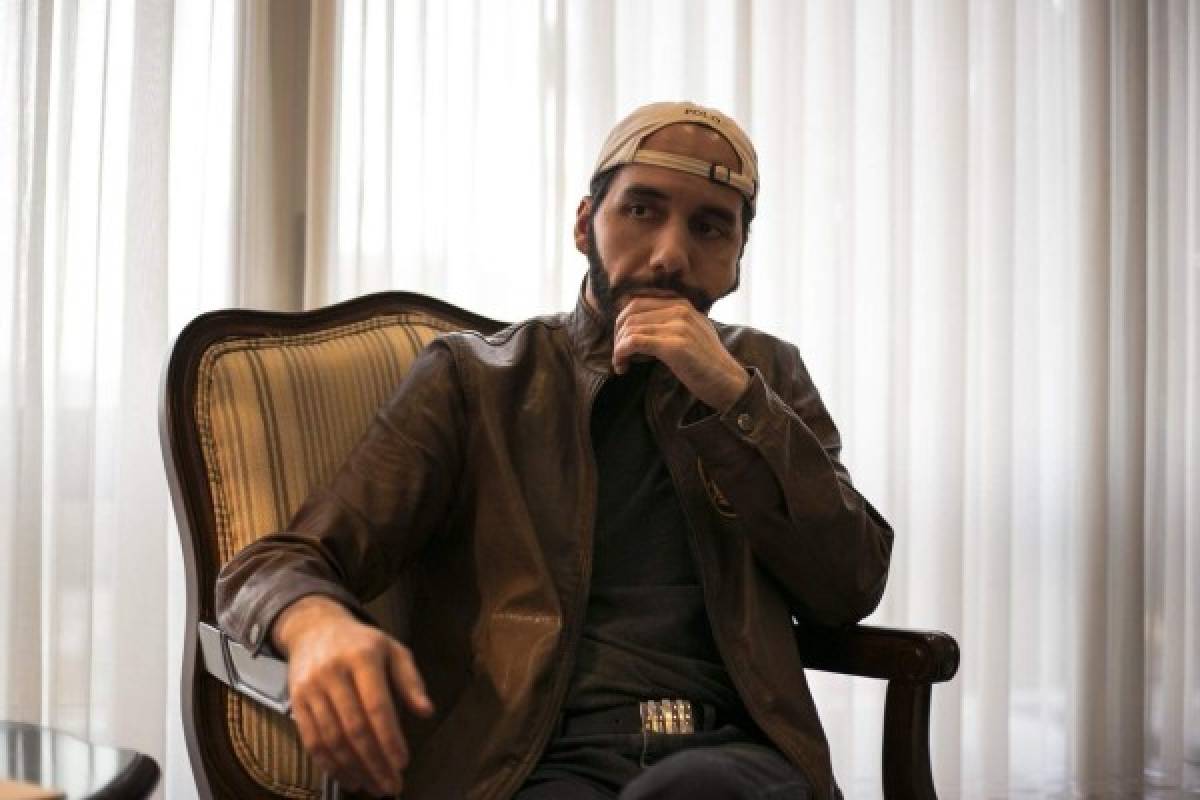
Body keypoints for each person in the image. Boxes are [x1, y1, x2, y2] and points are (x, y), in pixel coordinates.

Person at [216, 101, 893, 799]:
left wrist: (737, 402)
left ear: (737, 262)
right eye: (641, 211)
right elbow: (277, 564)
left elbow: (849, 586)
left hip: (734, 761)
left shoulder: (767, 376)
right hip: (534, 765)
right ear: (584, 223)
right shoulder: (476, 381)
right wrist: (316, 624)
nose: (669, 254)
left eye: (709, 227)